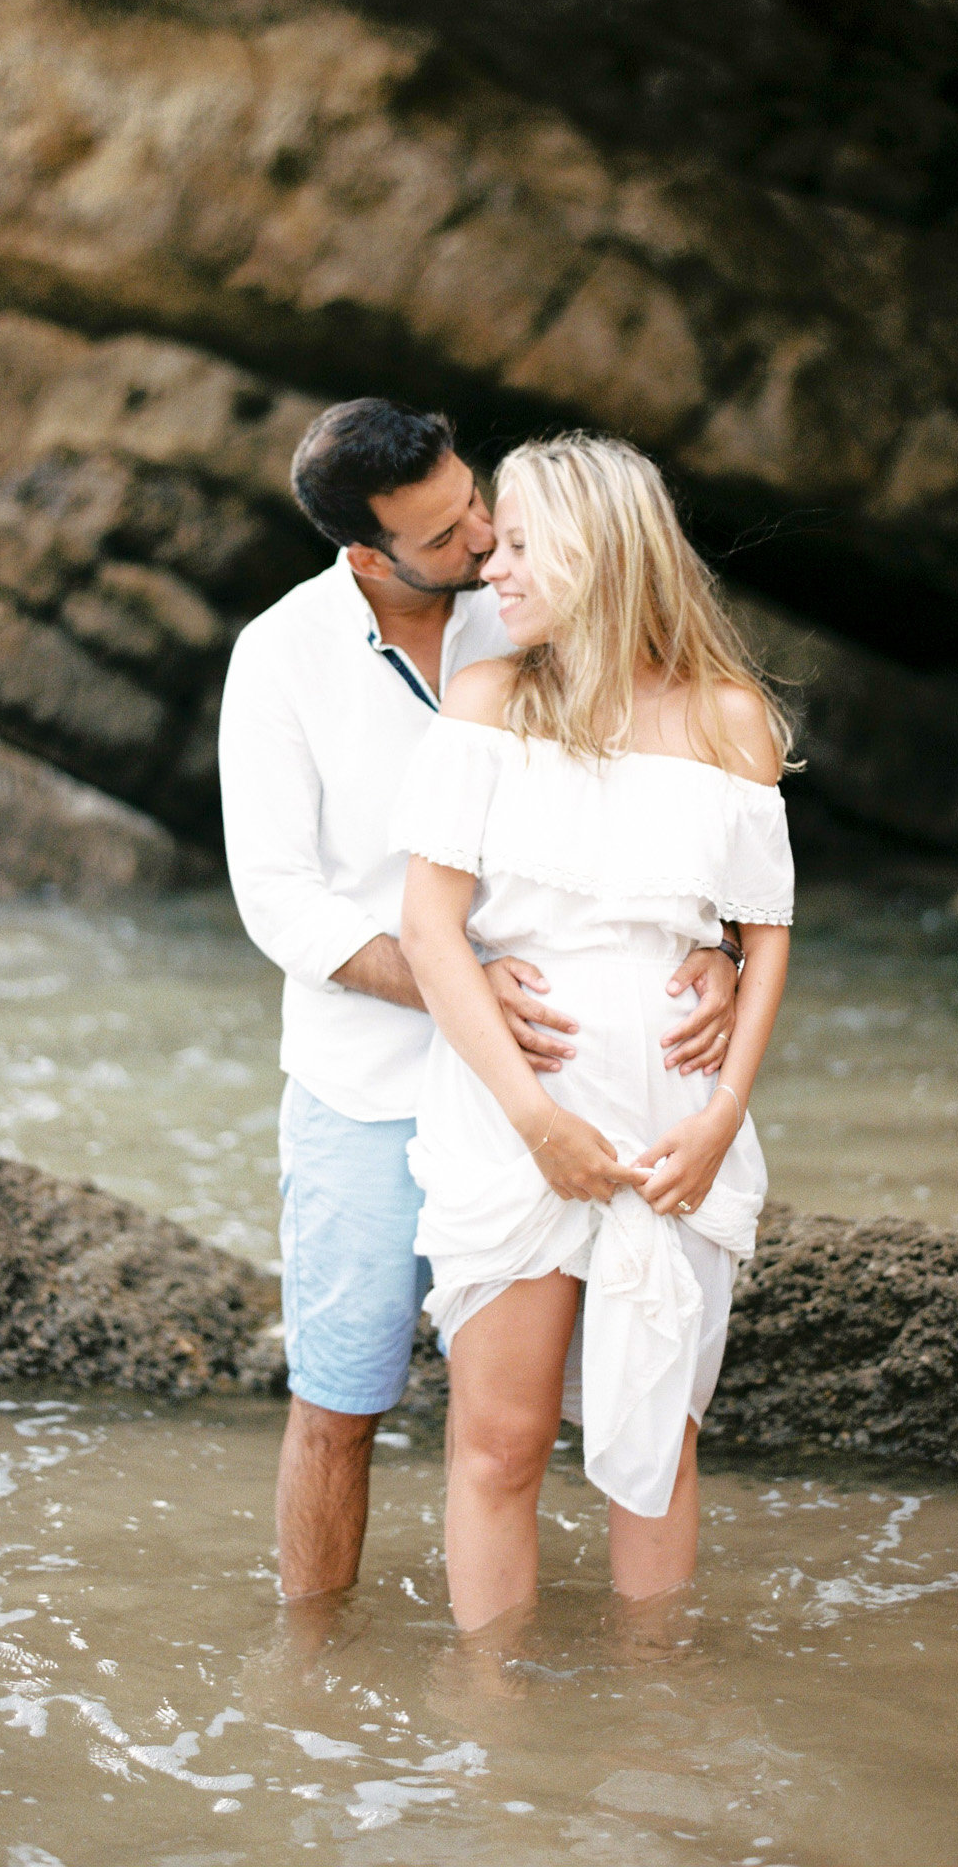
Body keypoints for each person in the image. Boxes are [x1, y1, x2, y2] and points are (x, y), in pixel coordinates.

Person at [218, 400, 742, 1601]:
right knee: (339, 1400)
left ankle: (569, 1694)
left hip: (561, 1075)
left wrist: (715, 943)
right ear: (364, 552)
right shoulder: (280, 656)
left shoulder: (530, 606)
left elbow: (656, 786)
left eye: (477, 506)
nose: (480, 540)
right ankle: (314, 1666)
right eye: (444, 532)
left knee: (560, 1415)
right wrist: (458, 985)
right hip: (369, 1087)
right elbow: (278, 899)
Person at [395, 433, 794, 1631]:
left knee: (653, 1443)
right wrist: (534, 1119)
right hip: (512, 1118)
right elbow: (427, 926)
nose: (491, 569)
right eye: (492, 543)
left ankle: (650, 1738)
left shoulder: (728, 719)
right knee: (498, 1444)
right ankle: (495, 1740)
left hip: (676, 1120)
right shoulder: (489, 699)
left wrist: (722, 1115)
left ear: (595, 547)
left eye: (518, 544)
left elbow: (762, 932)